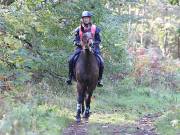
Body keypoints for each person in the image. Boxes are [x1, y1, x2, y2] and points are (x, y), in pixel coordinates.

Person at [66, 11, 104, 87]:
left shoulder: (95, 28)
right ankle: (70, 77)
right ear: (82, 19)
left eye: (87, 18)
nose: (86, 20)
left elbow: (99, 40)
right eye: (84, 18)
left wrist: (93, 43)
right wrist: (78, 43)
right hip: (81, 49)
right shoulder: (78, 29)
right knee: (71, 59)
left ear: (90, 19)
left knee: (101, 62)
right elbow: (75, 40)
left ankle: (99, 79)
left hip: (93, 49)